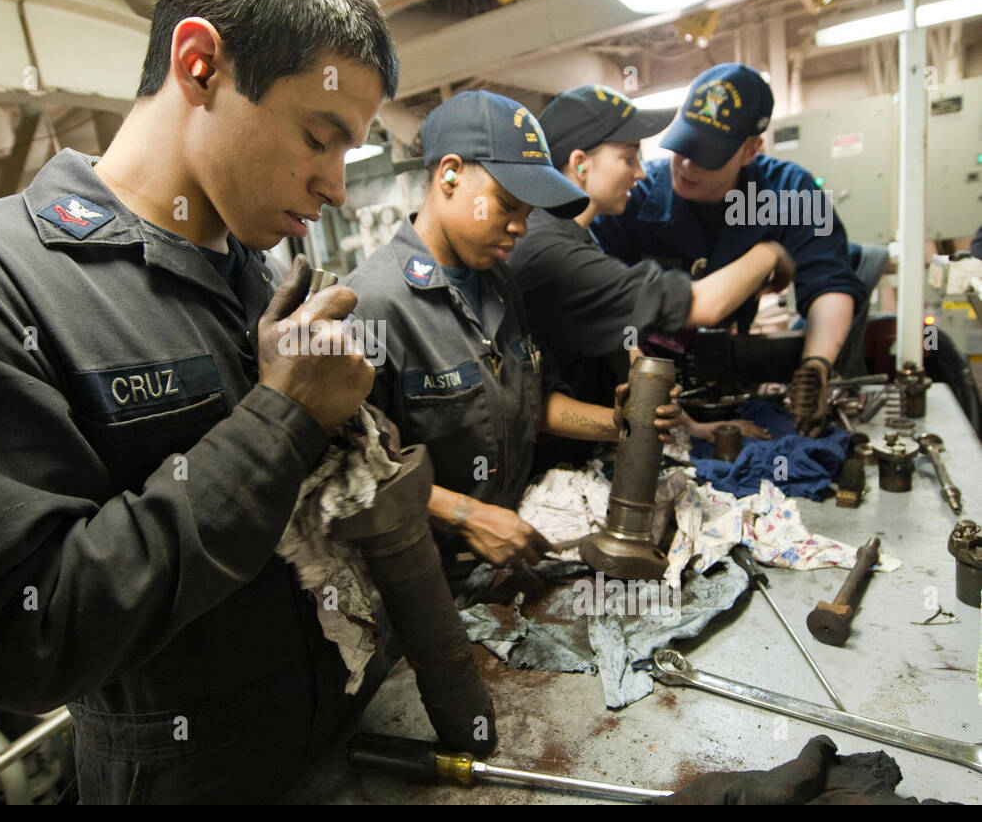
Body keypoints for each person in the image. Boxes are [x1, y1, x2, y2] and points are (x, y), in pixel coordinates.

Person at [0, 0, 400, 804]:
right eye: (320, 134)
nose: (337, 185)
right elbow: (22, 638)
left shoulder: (255, 278)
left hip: (358, 742)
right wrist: (283, 416)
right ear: (200, 65)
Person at [345, 90, 680, 574]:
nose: (521, 227)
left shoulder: (499, 284)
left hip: (506, 564)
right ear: (450, 175)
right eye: (507, 205)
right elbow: (353, 472)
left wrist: (620, 421)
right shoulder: (372, 306)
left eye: (528, 211)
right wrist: (467, 517)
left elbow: (531, 406)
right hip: (423, 577)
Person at [587, 64, 868, 435]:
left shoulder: (788, 191)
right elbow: (603, 309)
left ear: (751, 150)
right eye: (682, 146)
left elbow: (829, 283)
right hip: (636, 374)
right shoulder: (632, 197)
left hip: (728, 372)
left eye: (706, 156)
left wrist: (817, 365)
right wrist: (648, 393)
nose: (686, 164)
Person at [510, 83, 791, 453]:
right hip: (543, 465)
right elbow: (702, 305)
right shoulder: (549, 248)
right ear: (580, 164)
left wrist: (691, 426)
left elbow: (620, 344)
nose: (641, 174)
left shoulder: (578, 237)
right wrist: (769, 252)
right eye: (628, 158)